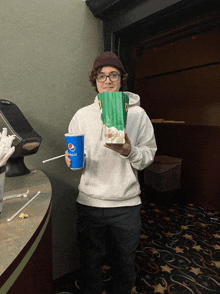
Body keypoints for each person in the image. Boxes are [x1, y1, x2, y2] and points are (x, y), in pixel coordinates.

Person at [65, 51, 157, 294]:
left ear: (121, 79)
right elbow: (78, 159)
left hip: (126, 205)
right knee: (89, 261)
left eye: (113, 75)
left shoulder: (138, 114)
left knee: (125, 262)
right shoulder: (82, 115)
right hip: (89, 202)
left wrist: (129, 150)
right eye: (101, 76)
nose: (107, 80)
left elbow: (148, 157)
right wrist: (72, 159)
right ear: (94, 81)